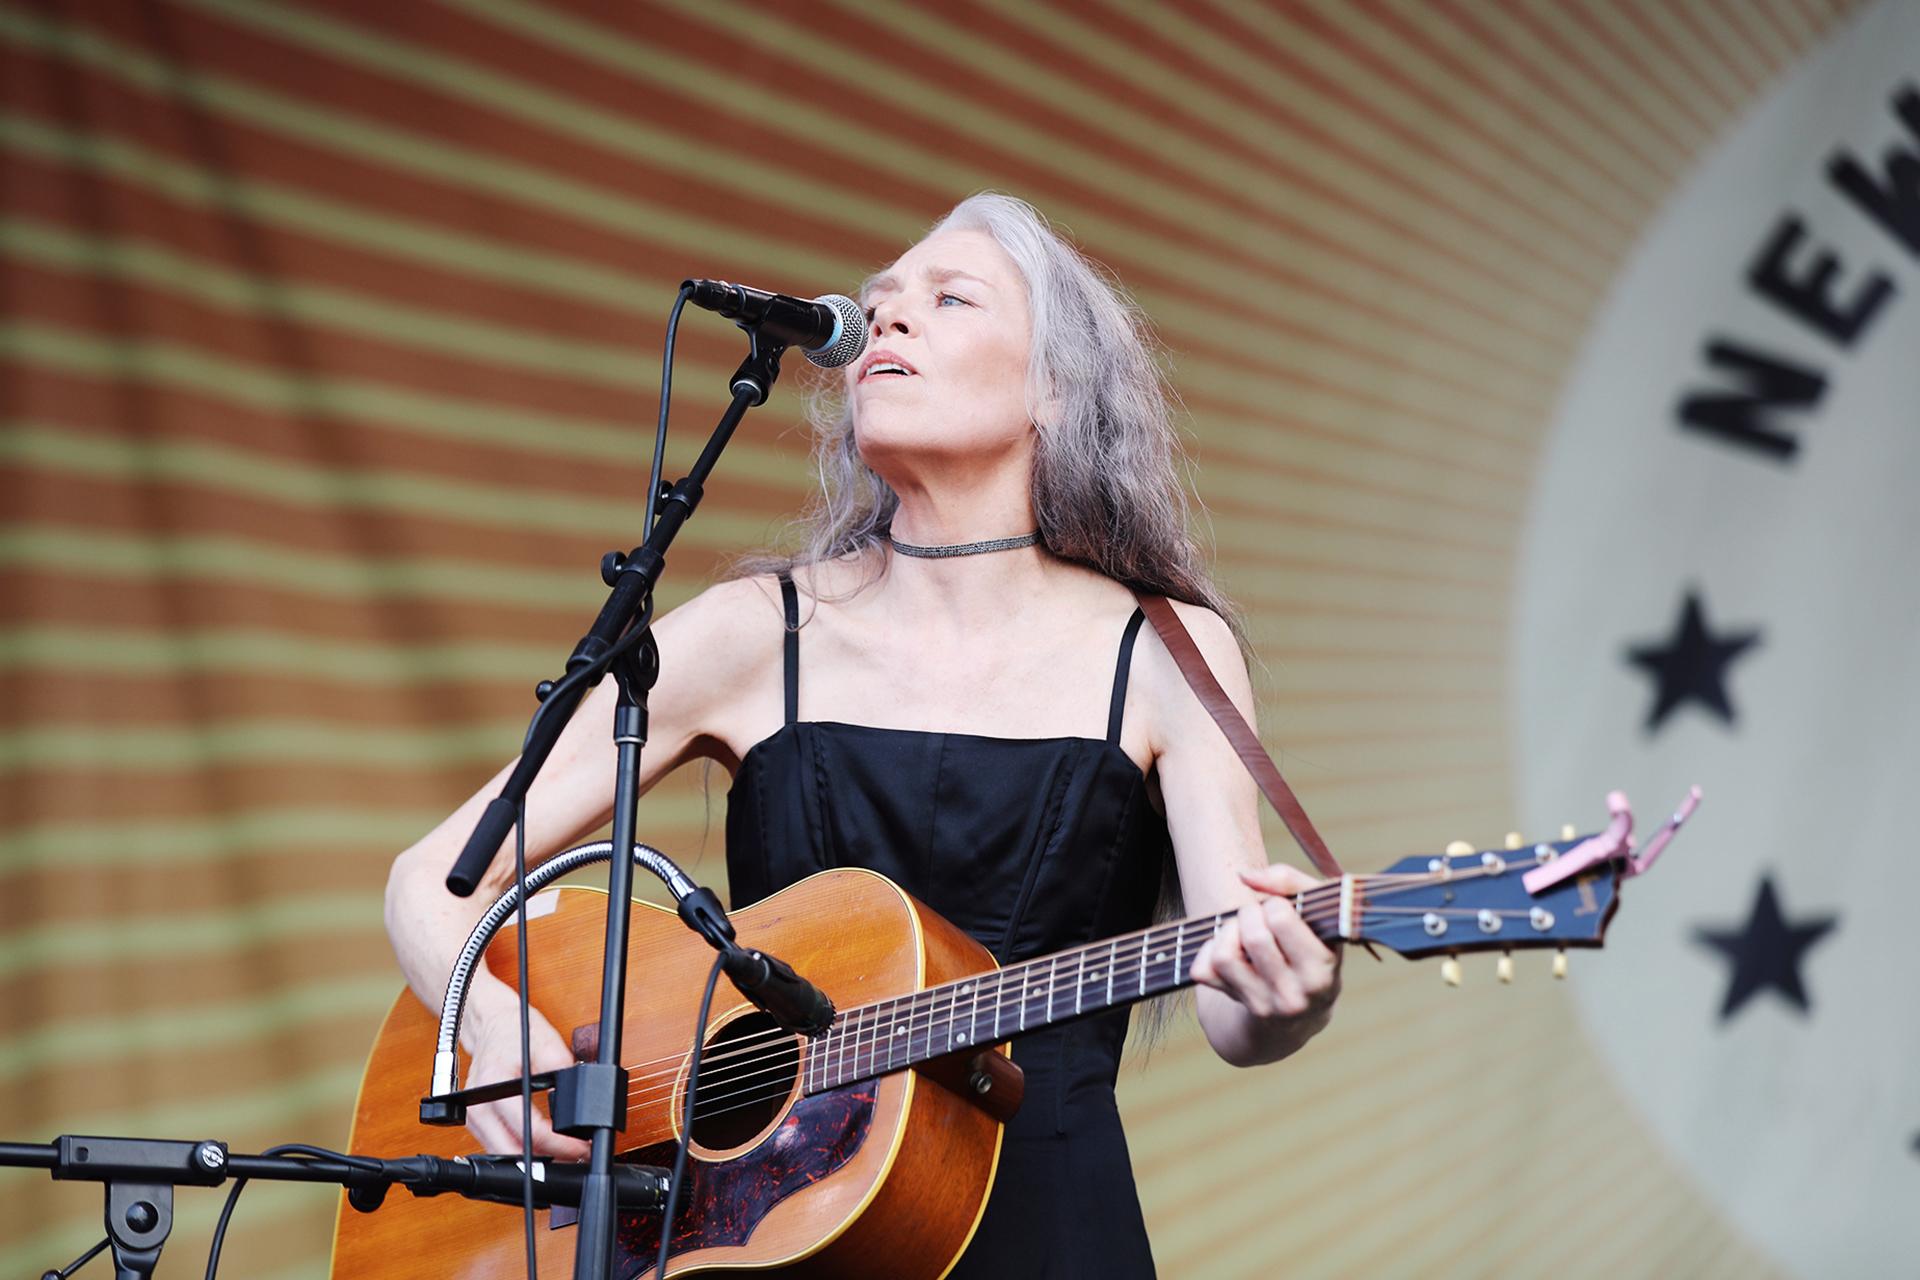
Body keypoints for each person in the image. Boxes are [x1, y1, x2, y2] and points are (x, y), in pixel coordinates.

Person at [383, 192, 1341, 1276]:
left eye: (948, 297)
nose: (886, 319)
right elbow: (430, 880)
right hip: (762, 1235)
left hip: (1048, 1225)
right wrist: (500, 1030)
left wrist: (1287, 995)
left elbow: (1235, 994)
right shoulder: (759, 630)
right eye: (879, 304)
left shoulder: (1168, 646)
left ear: (1058, 390)